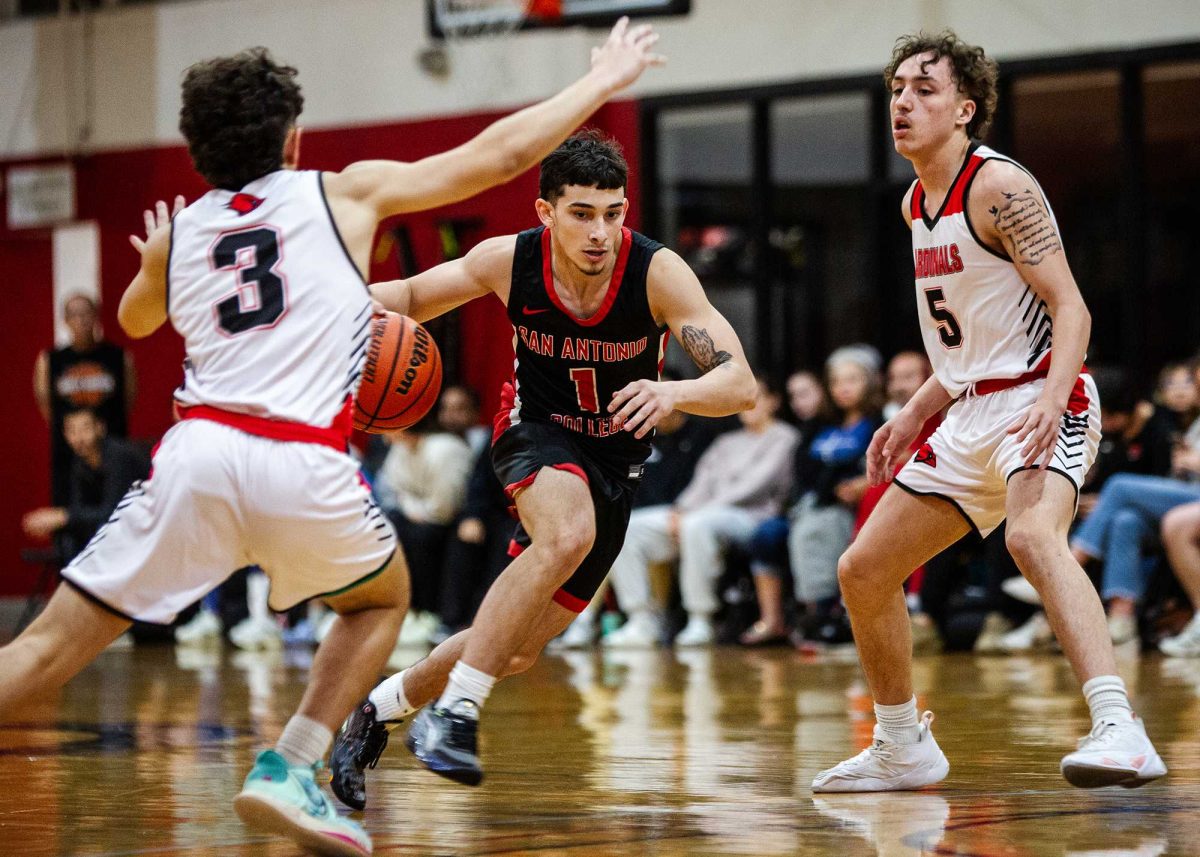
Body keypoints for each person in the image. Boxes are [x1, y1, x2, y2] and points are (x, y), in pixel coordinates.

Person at [0, 24, 665, 857]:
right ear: (292, 137)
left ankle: (299, 760)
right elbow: (499, 155)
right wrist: (601, 80)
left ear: (197, 149)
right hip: (301, 459)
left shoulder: (183, 234)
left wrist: (151, 261)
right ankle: (292, 762)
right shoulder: (340, 194)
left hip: (197, 456)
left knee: (45, 647)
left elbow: (136, 319)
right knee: (381, 599)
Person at [329, 130, 756, 806]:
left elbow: (740, 384)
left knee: (518, 649)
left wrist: (674, 391)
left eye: (613, 213)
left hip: (614, 465)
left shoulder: (656, 272)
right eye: (582, 213)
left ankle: (378, 708)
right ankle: (457, 710)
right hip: (535, 431)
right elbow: (406, 295)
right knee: (567, 533)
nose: (600, 232)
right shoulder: (510, 261)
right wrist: (305, 310)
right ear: (546, 212)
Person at [812, 31, 1165, 793]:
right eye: (897, 89)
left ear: (965, 109)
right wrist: (913, 411)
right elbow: (968, 348)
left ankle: (1121, 728)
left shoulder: (999, 186)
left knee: (1032, 536)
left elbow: (1071, 308)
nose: (904, 102)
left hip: (1044, 393)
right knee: (864, 569)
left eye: (925, 89)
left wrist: (1051, 400)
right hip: (969, 410)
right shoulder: (915, 202)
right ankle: (901, 745)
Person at [604, 376, 798, 648]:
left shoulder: (784, 437)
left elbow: (754, 486)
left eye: (757, 397)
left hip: (753, 516)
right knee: (630, 527)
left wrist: (693, 513)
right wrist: (680, 510)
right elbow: (701, 482)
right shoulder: (726, 441)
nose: (749, 405)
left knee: (696, 525)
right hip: (702, 513)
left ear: (773, 402)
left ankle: (700, 618)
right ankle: (642, 619)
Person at [34, 295, 136, 505]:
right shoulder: (50, 360)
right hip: (68, 456)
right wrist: (77, 433)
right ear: (65, 320)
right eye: (74, 315)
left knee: (116, 511)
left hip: (112, 452)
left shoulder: (119, 357)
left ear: (96, 316)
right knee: (71, 513)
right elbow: (46, 407)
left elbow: (128, 400)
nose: (81, 320)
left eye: (86, 313)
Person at [21, 408, 148, 562]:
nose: (79, 437)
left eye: (85, 429)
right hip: (123, 528)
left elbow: (114, 512)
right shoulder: (79, 463)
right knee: (71, 539)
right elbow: (80, 509)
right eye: (72, 431)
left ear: (100, 428)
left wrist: (63, 517)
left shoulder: (119, 457)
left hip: (148, 522)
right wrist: (54, 525)